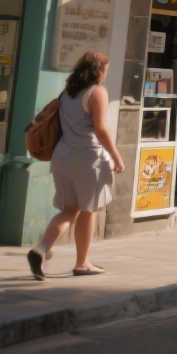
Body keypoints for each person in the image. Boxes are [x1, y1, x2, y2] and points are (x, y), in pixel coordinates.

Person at [28, 51, 124, 280]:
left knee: (70, 210)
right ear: (97, 70)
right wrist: (116, 155)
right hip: (87, 158)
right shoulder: (96, 92)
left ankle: (40, 250)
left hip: (62, 156)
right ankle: (82, 263)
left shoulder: (67, 94)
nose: (105, 74)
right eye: (105, 70)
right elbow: (100, 128)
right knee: (88, 211)